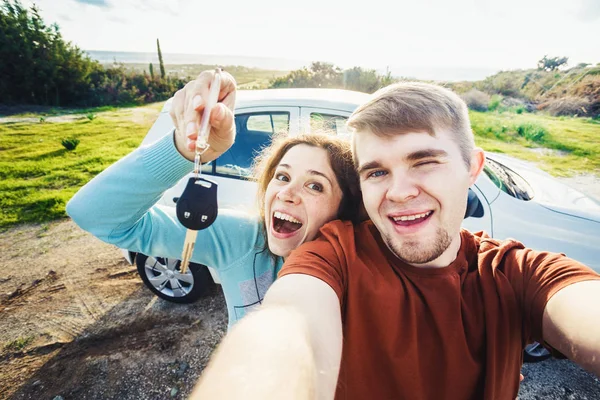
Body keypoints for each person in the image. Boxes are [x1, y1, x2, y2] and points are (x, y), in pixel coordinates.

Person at [190, 82, 600, 400]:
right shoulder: (335, 255)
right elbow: (289, 325)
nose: (400, 192)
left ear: (471, 167)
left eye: (424, 162)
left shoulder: (515, 273)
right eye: (376, 172)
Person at [66, 70, 361, 329]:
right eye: (282, 177)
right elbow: (94, 214)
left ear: (344, 207)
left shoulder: (366, 270)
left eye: (314, 186)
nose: (285, 193)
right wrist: (184, 149)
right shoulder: (244, 240)